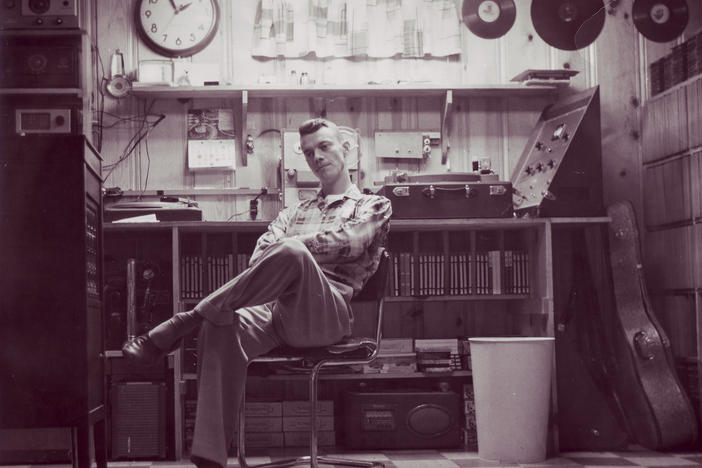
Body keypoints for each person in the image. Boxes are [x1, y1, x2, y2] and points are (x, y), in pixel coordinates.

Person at [121, 118, 392, 468]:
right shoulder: (295, 211)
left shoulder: (373, 205)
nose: (317, 157)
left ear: (347, 149)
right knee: (222, 322)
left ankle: (182, 321)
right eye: (309, 152)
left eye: (325, 146)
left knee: (292, 252)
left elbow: (350, 243)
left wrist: (295, 247)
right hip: (275, 311)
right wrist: (289, 249)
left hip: (327, 312)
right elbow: (259, 256)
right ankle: (210, 457)